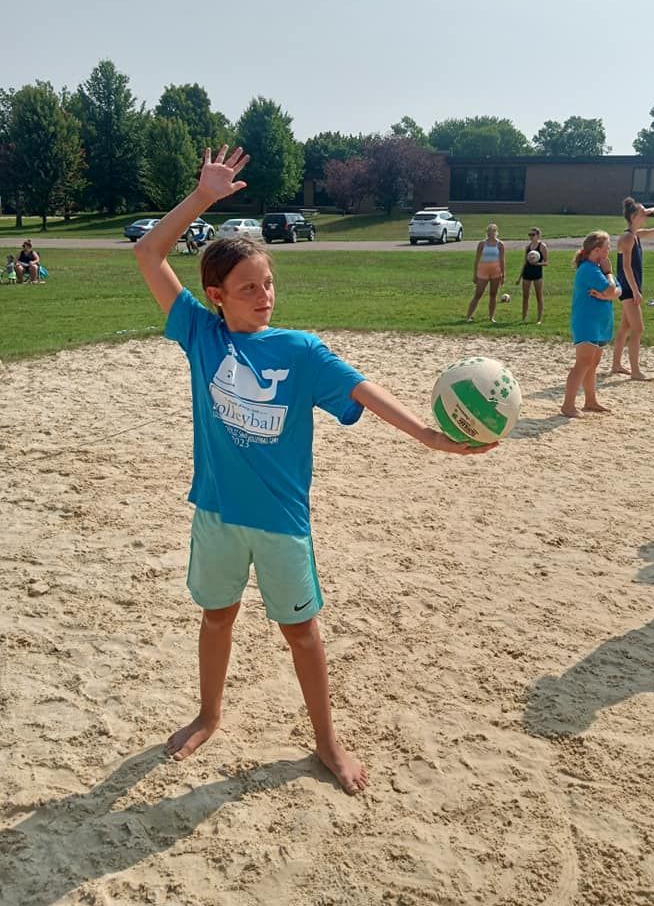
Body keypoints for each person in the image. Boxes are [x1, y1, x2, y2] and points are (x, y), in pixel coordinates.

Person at [134, 145, 497, 795]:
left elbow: (361, 389)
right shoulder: (199, 333)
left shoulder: (299, 351)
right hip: (217, 514)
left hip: (280, 522)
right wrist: (203, 199)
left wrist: (425, 435)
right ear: (216, 297)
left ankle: (326, 741)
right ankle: (210, 714)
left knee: (301, 633)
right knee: (216, 618)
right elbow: (148, 254)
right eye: (249, 289)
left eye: (269, 284)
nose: (265, 296)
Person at [561, 231, 621, 418]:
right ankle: (568, 405)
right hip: (587, 322)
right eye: (607, 248)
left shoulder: (597, 269)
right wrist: (609, 274)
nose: (609, 251)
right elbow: (612, 288)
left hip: (601, 323)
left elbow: (618, 291)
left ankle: (590, 400)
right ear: (596, 250)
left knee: (593, 363)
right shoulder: (589, 269)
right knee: (583, 362)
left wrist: (607, 293)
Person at [610, 197, 654, 379]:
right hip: (628, 289)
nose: (646, 216)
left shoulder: (636, 235)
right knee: (638, 329)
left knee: (625, 328)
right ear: (634, 216)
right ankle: (635, 371)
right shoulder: (627, 238)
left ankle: (616, 365)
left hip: (629, 288)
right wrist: (635, 291)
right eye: (643, 214)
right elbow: (626, 267)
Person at [465, 223, 505, 323]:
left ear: (496, 232)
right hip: (483, 271)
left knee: (493, 294)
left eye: (492, 231)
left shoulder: (500, 244)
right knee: (478, 294)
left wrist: (503, 274)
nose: (490, 233)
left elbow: (502, 260)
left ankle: (491, 317)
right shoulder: (482, 244)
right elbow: (477, 259)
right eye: (489, 231)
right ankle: (468, 316)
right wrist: (475, 274)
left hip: (495, 271)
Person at [516, 226, 548, 324]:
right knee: (525, 296)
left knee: (539, 296)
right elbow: (525, 263)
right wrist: (519, 277)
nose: (531, 236)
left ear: (538, 235)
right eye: (529, 235)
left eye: (533, 235)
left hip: (537, 273)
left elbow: (546, 262)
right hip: (527, 273)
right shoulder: (528, 247)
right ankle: (524, 318)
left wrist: (537, 264)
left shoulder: (542, 246)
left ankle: (539, 319)